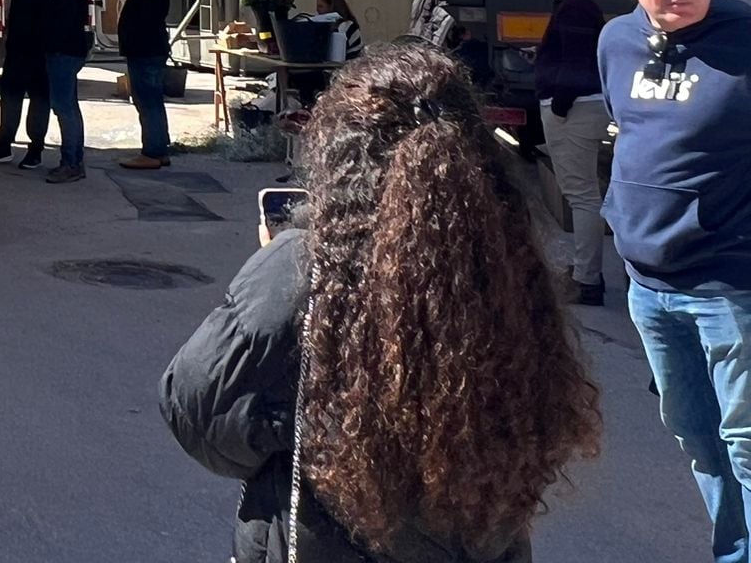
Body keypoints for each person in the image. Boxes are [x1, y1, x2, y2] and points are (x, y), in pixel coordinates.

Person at [162, 40, 599, 563]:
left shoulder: (304, 264)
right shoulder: (506, 262)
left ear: (342, 155)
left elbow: (200, 416)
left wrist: (302, 421)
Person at [601, 0, 751, 561]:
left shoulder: (744, 37)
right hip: (649, 290)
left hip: (730, 286)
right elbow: (629, 133)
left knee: (747, 443)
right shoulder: (616, 41)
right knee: (697, 438)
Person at [533, 0, 610, 307]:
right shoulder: (575, 4)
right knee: (581, 194)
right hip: (578, 104)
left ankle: (587, 279)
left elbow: (577, 63)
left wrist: (560, 105)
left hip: (574, 108)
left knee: (581, 196)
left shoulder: (576, 5)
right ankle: (586, 272)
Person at [0, 0, 73, 171]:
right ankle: (3, 145)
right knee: (9, 98)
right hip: (17, 48)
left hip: (42, 52)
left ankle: (35, 150)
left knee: (39, 102)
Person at [116, 0, 173, 171]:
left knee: (147, 100)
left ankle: (152, 152)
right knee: (151, 101)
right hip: (146, 50)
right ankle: (158, 149)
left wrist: (132, 41)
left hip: (145, 51)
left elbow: (146, 18)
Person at [39, 0, 94, 184]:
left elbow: (61, 19)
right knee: (69, 106)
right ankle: (74, 160)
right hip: (65, 51)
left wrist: (51, 42)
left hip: (64, 52)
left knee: (64, 107)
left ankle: (70, 163)